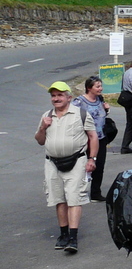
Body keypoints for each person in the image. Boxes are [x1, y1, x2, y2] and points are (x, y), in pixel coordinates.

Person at [35, 82, 98, 254]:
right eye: (53, 96)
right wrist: (43, 127)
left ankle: (73, 237)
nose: (56, 99)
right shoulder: (47, 116)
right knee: (59, 198)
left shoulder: (81, 114)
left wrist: (92, 159)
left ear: (69, 97)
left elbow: (93, 137)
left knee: (74, 198)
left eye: (60, 95)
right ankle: (63, 234)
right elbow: (40, 140)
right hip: (52, 163)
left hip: (77, 161)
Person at [72, 76, 111, 201]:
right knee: (82, 166)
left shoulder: (100, 99)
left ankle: (95, 193)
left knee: (99, 166)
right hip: (85, 139)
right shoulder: (79, 102)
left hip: (100, 138)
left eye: (101, 86)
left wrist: (106, 110)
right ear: (89, 88)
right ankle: (77, 192)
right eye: (97, 86)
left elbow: (102, 116)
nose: (101, 89)